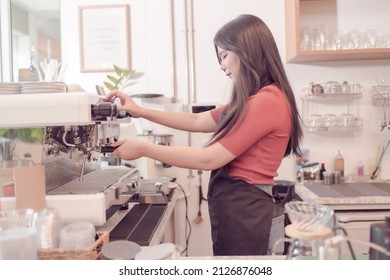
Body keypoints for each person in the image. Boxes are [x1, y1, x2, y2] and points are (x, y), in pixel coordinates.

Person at [106, 14, 303, 256]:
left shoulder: (267, 101)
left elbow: (209, 159)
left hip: (246, 210)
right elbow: (198, 120)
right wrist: (139, 111)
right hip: (239, 208)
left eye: (224, 56)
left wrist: (144, 148)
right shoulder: (254, 100)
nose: (221, 65)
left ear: (247, 51)